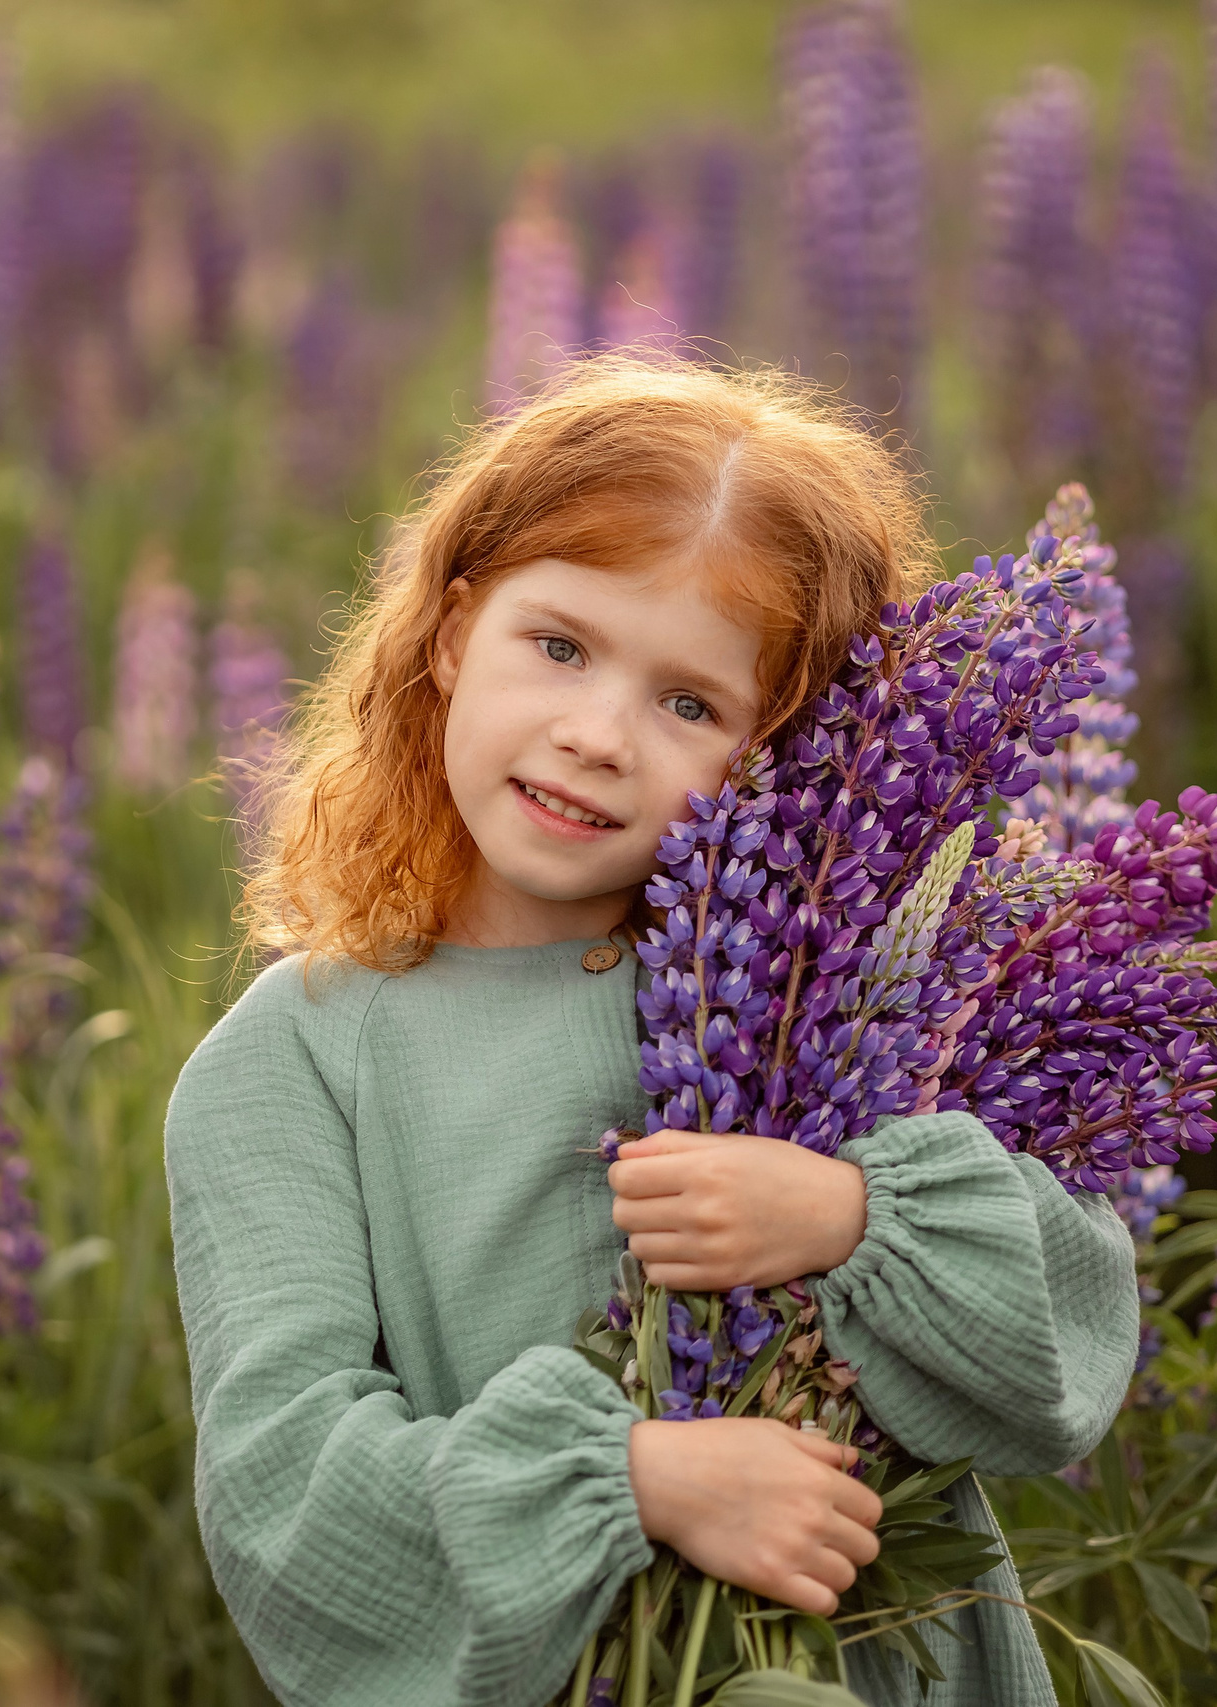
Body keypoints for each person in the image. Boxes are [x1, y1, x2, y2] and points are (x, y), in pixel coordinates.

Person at [164, 357, 1139, 1706]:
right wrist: (632, 1480)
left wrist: (854, 1217)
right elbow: (286, 1498)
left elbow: (1070, 1345)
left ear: (783, 750)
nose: (598, 736)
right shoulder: (295, 1064)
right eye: (558, 646)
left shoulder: (831, 981)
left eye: (690, 704)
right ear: (452, 633)